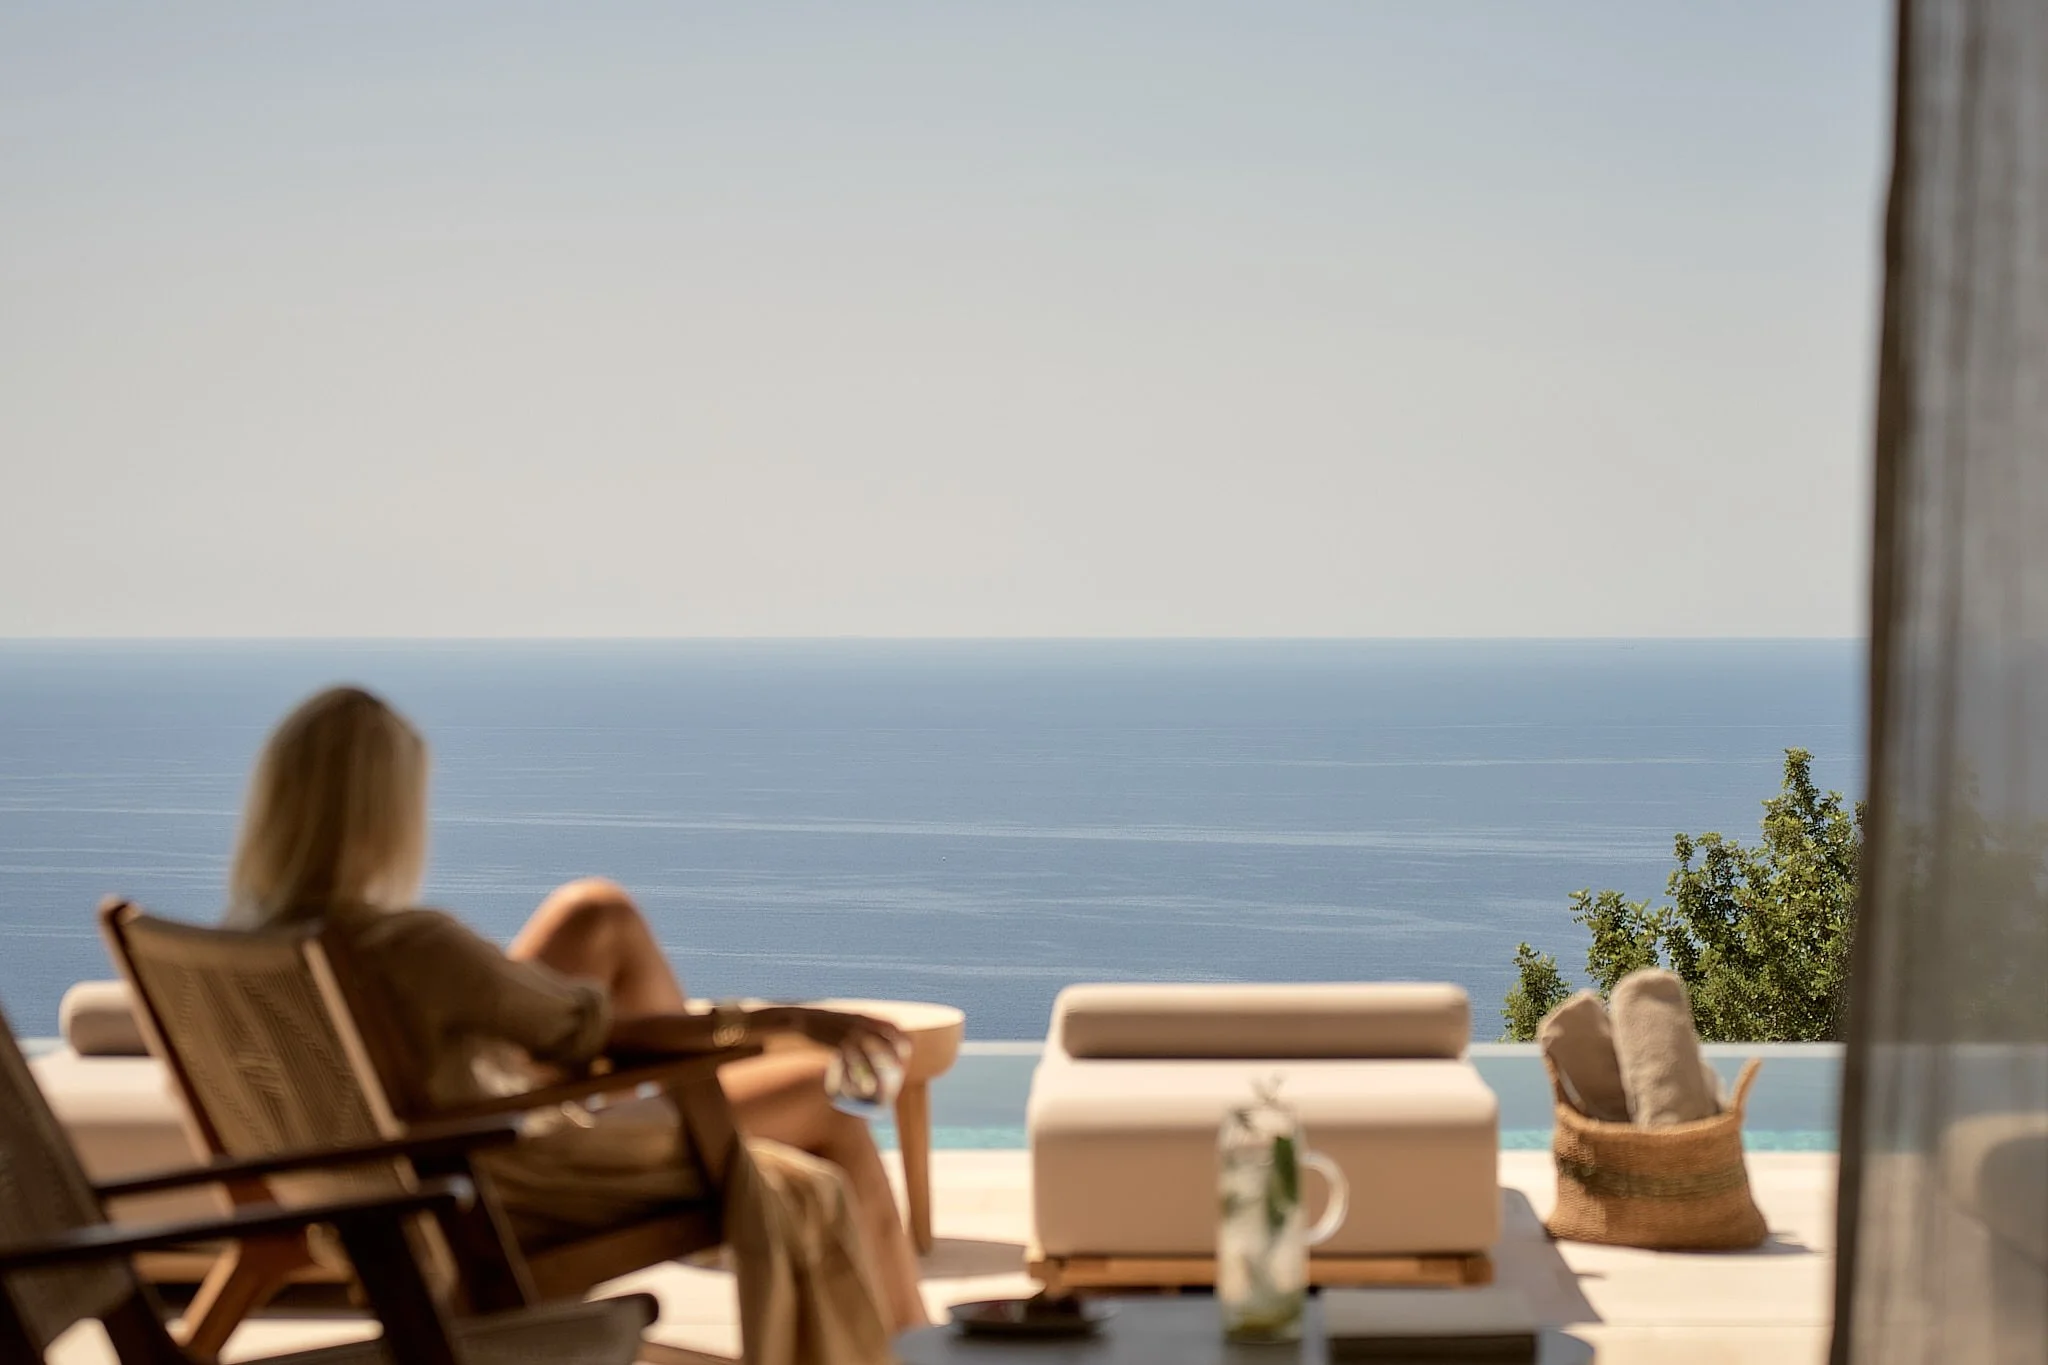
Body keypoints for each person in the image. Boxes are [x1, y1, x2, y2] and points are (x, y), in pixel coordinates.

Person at [222, 684, 930, 1339]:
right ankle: (910, 1344)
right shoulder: (407, 945)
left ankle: (902, 1338)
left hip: (404, 1194)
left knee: (599, 914)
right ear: (383, 816)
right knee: (827, 1101)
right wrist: (788, 1021)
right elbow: (590, 1032)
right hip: (514, 1187)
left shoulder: (242, 958)